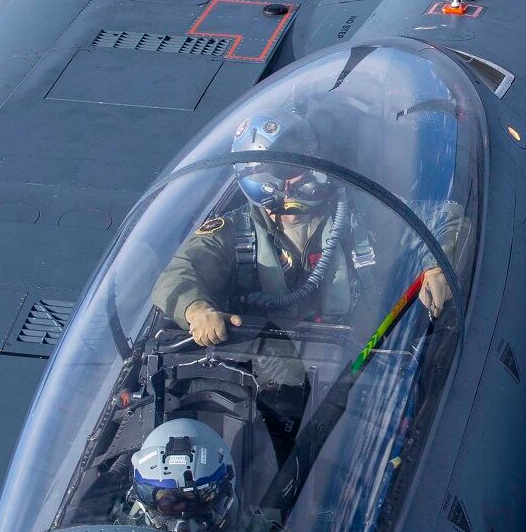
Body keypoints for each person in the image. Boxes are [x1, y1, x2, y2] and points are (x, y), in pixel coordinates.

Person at [150, 109, 454, 463]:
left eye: (304, 152)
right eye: (290, 162)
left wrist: (439, 265)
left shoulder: (358, 214)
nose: (306, 166)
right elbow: (177, 274)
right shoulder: (233, 231)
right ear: (264, 178)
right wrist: (197, 310)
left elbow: (443, 220)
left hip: (358, 367)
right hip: (268, 375)